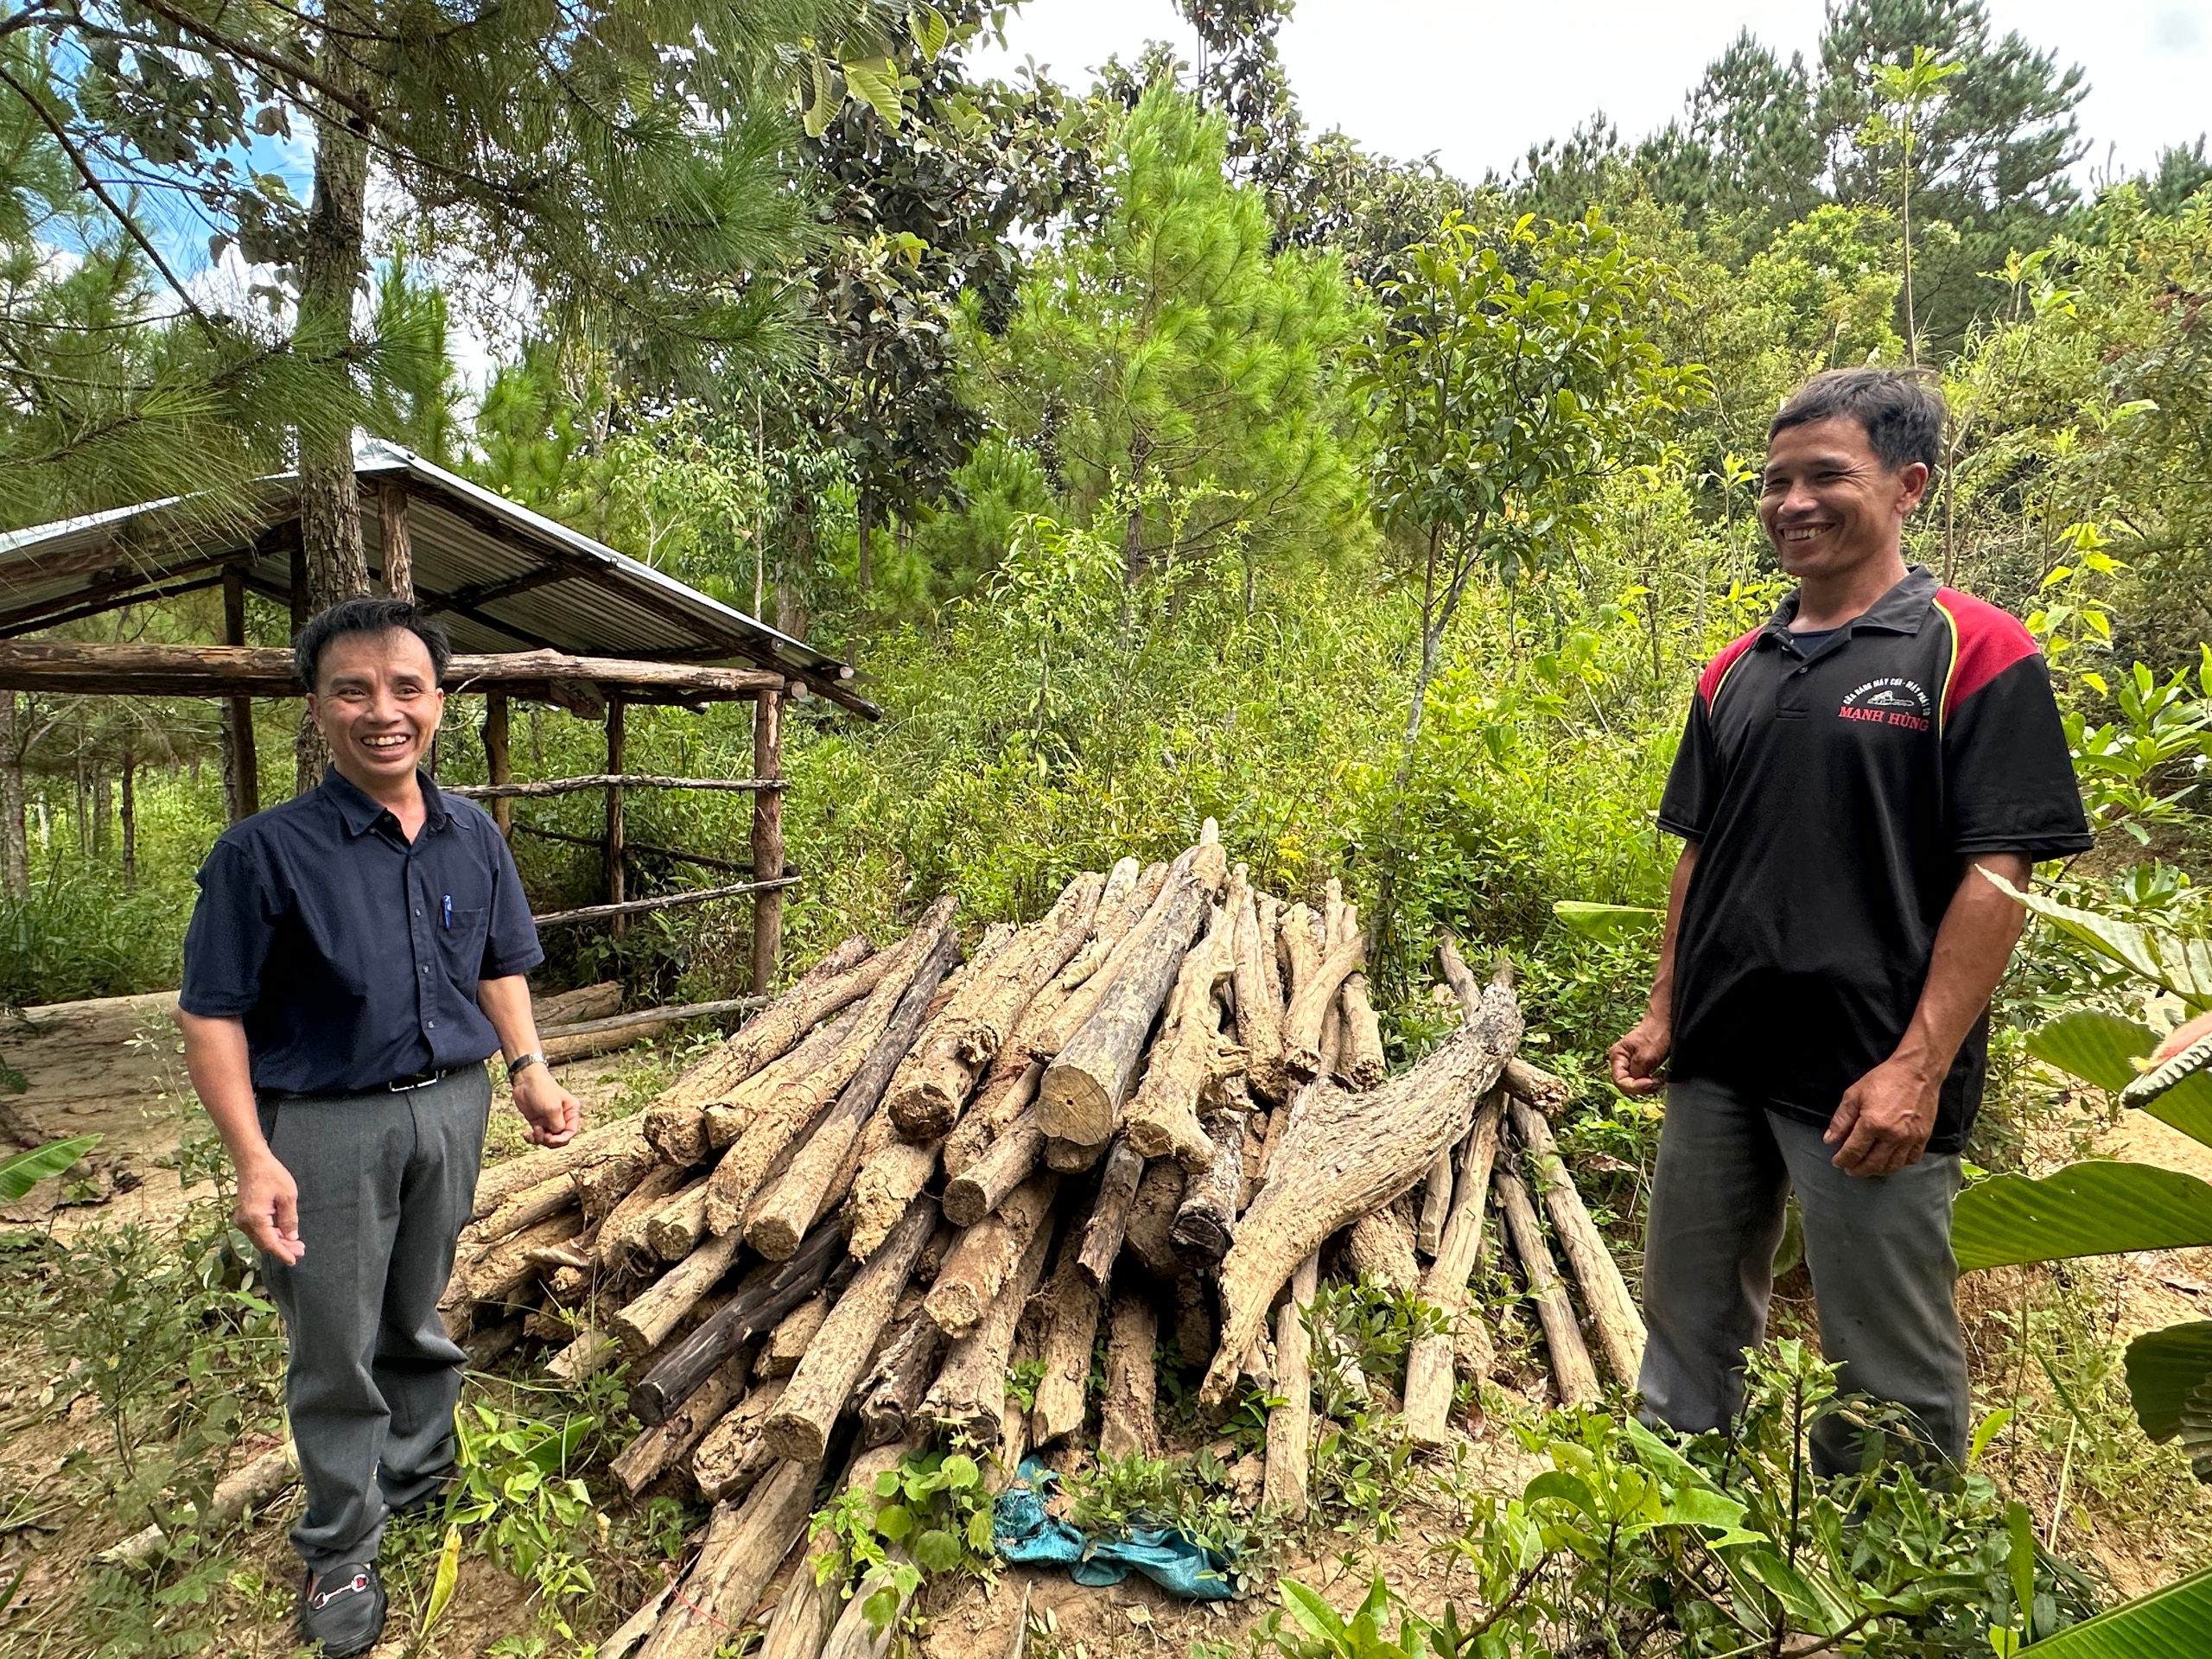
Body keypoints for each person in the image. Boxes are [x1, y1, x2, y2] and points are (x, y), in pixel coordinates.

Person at [1608, 368, 2093, 1473]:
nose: (1791, 502)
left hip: (1868, 1069)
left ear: (1908, 484)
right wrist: (1662, 1008)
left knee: (1885, 1364)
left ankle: (1890, 1598)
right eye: (1775, 481)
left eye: (1825, 475)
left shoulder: (1975, 649)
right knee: (1686, 1323)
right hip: (1721, 1054)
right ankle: (1668, 1550)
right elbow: (1701, 851)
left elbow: (1997, 871)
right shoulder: (1735, 666)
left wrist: (1917, 1068)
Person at [179, 596, 582, 1657]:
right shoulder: (263, 854)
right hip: (324, 1127)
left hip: (452, 1109)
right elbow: (211, 1012)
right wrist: (254, 1155)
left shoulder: (471, 834)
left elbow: (499, 964)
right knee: (332, 1344)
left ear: (437, 702)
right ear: (317, 708)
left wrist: (532, 1073)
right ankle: (340, 1545)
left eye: (405, 688)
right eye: (352, 690)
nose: (382, 711)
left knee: (415, 1313)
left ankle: (417, 1474)